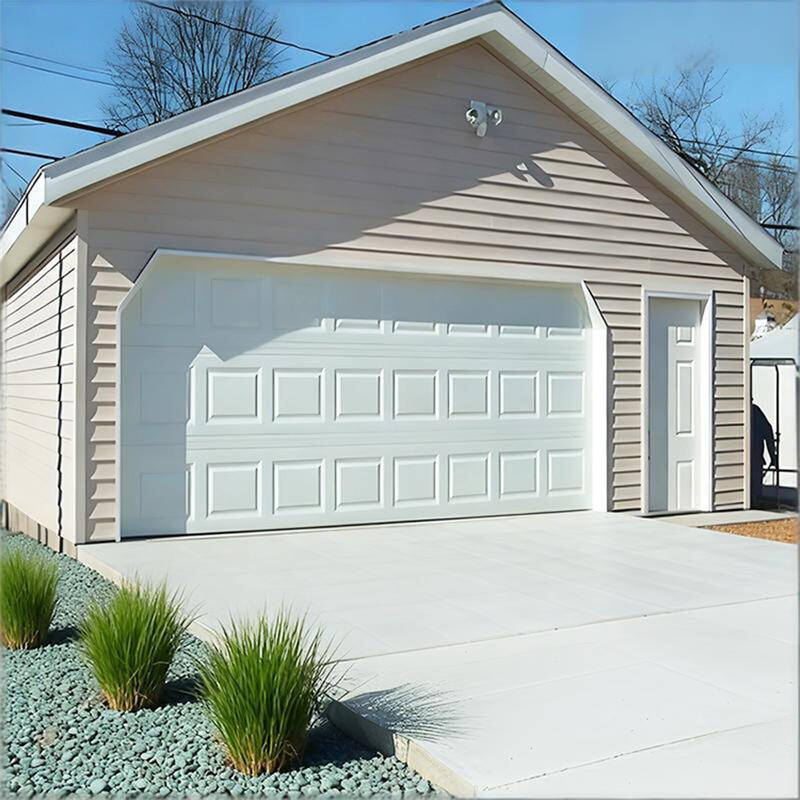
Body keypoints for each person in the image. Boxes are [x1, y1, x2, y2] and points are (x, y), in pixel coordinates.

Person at [751, 403, 776, 505]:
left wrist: (772, 456)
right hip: (755, 457)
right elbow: (768, 432)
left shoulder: (754, 411)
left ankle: (755, 500)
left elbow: (767, 431)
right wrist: (772, 456)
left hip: (755, 456)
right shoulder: (755, 410)